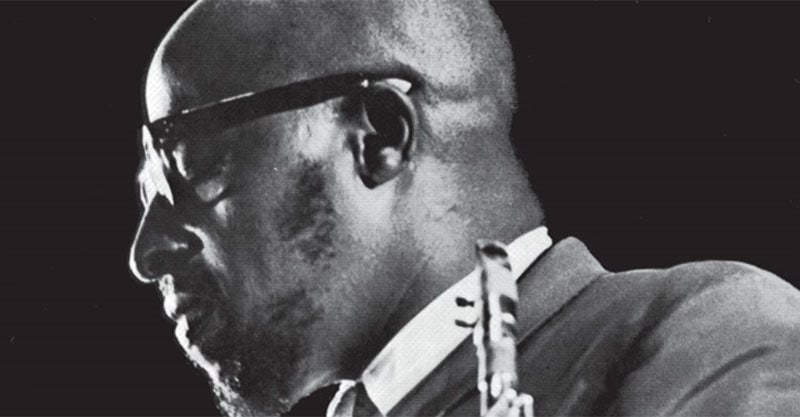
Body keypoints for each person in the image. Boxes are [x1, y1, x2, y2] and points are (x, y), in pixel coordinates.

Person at [129, 0, 800, 416]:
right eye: (146, 191)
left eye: (190, 164)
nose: (145, 251)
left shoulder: (711, 333)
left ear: (378, 138)